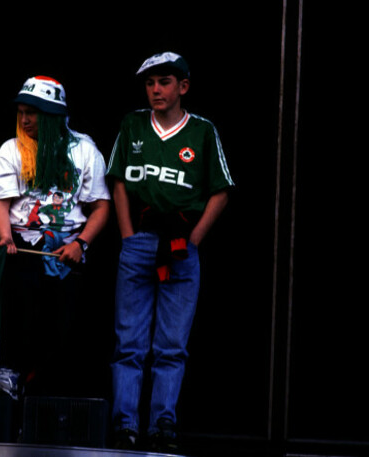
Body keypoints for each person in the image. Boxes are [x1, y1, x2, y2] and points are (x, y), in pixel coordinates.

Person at [107, 52, 234, 452]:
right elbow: (120, 183)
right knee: (129, 341)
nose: (156, 90)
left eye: (164, 82)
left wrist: (193, 239)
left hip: (181, 246)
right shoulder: (132, 124)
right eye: (149, 83)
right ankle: (125, 424)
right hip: (140, 241)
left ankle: (164, 422)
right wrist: (128, 235)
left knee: (172, 344)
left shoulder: (201, 131)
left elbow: (221, 189)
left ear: (183, 86)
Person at [0, 75, 110, 397]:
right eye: (21, 112)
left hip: (68, 248)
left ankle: (47, 394)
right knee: (20, 318)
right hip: (22, 247)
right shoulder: (12, 149)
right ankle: (10, 384)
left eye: (33, 113)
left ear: (54, 115)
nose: (24, 120)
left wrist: (81, 244)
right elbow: (0, 202)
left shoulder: (84, 150)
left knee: (63, 328)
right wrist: (5, 237)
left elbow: (100, 207)